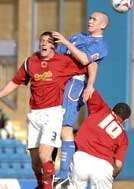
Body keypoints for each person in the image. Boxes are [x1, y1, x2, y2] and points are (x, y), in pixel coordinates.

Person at [0, 31, 90, 189]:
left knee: (45, 155)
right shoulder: (31, 61)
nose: (43, 43)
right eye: (42, 40)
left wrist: (66, 43)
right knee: (35, 163)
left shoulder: (63, 61)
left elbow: (87, 62)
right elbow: (15, 82)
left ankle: (49, 186)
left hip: (53, 113)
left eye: (48, 41)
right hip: (34, 115)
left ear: (54, 46)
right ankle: (41, 185)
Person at [52, 11, 109, 185]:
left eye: (95, 19)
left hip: (74, 85)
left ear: (103, 25)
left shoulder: (101, 45)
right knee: (52, 127)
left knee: (65, 127)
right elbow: (59, 53)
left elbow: (86, 60)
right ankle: (51, 172)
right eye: (90, 18)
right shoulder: (79, 36)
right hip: (58, 82)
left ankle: (64, 175)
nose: (90, 21)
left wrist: (66, 42)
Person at [67, 90, 131, 189]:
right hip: (103, 166)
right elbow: (118, 164)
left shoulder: (102, 108)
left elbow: (91, 90)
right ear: (126, 120)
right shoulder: (124, 137)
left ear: (113, 109)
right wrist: (112, 174)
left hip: (81, 158)